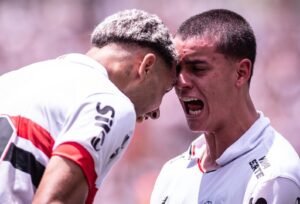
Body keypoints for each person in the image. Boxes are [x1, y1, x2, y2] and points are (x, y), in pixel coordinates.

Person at [0, 9, 177, 204]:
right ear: (146, 67)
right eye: (165, 90)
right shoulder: (111, 102)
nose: (156, 112)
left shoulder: (13, 79)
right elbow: (55, 200)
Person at [151, 9, 300, 204]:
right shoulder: (172, 171)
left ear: (241, 73)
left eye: (198, 69)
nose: (181, 82)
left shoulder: (273, 177)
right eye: (177, 69)